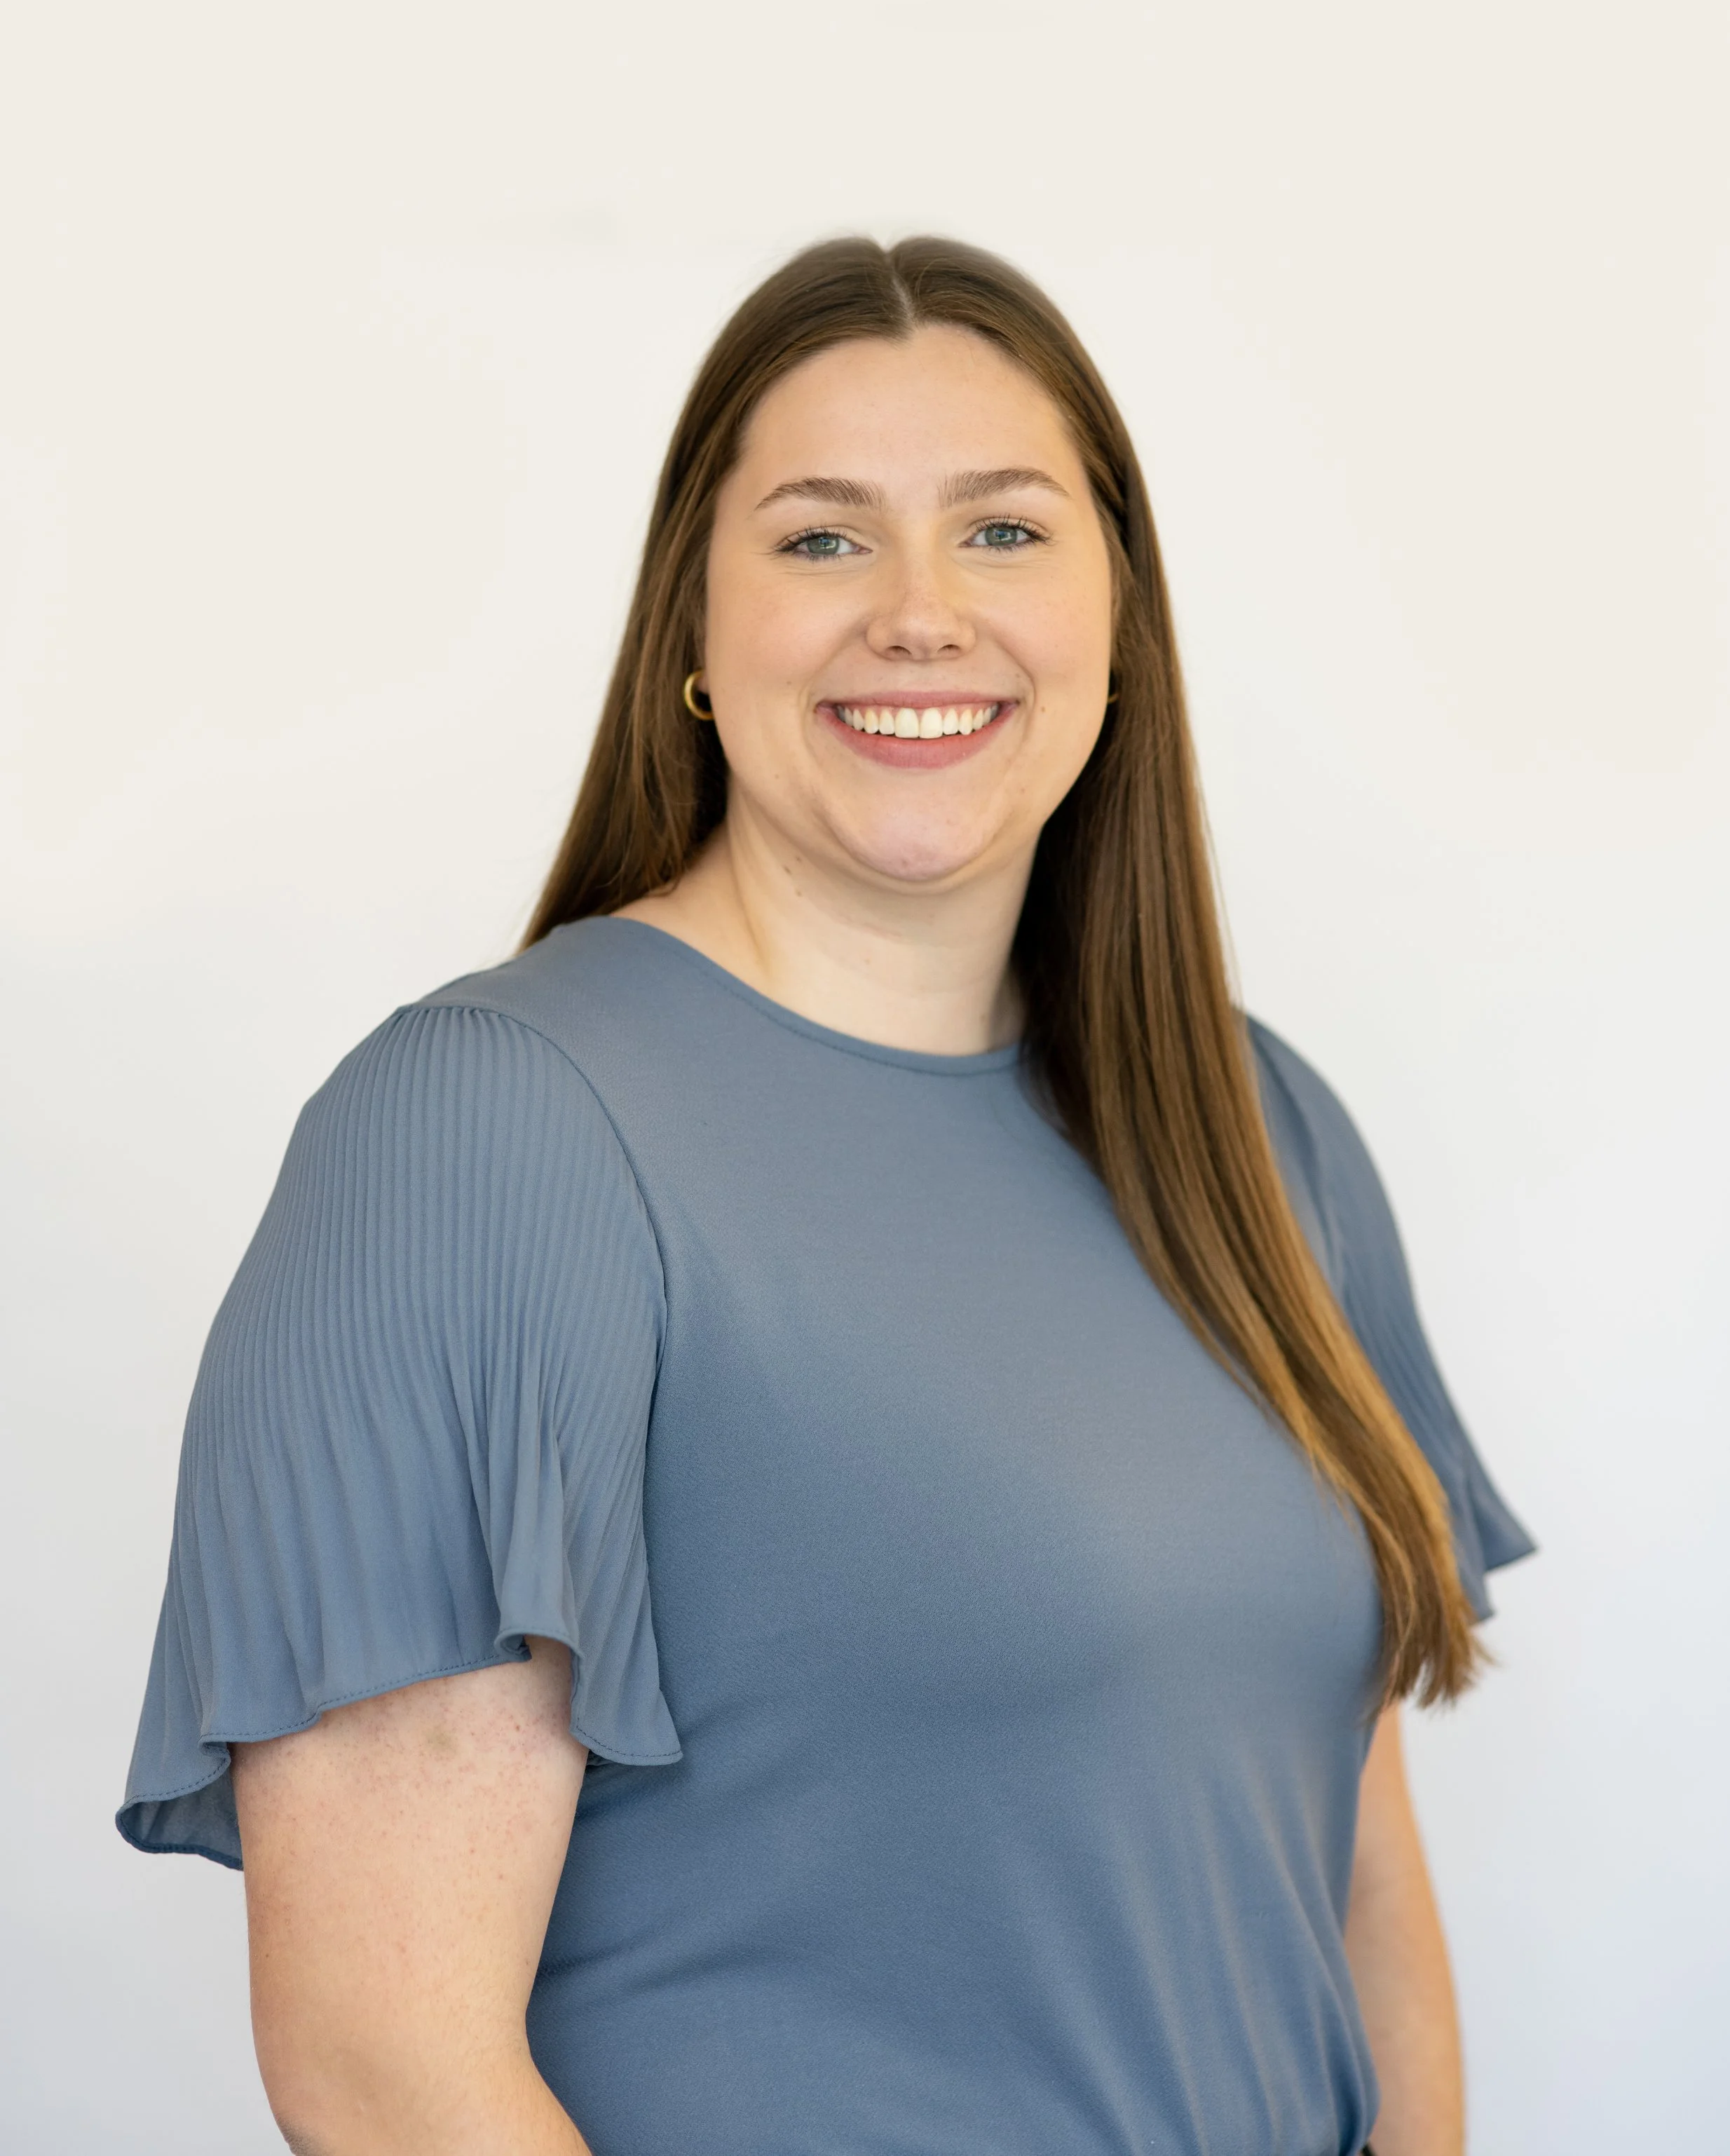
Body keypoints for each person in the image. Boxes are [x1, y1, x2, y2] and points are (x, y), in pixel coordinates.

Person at [119, 236, 1533, 2156]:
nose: (921, 612)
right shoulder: (487, 1141)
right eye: (819, 539)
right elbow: (389, 2068)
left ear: (1118, 619)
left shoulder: (1255, 1129)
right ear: (692, 632)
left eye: (1005, 532)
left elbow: (1349, 1864)